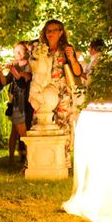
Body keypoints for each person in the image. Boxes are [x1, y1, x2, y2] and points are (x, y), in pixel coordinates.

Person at [39, 19, 82, 162]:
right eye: (48, 31)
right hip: (44, 93)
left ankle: (64, 161)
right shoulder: (41, 49)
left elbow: (77, 72)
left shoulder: (66, 49)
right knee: (41, 123)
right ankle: (43, 159)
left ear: (61, 32)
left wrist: (71, 57)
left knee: (62, 124)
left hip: (62, 93)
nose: (51, 33)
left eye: (54, 30)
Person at [0, 42, 32, 164]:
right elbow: (4, 82)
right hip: (15, 102)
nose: (17, 54)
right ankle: (12, 158)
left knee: (24, 131)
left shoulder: (30, 65)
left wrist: (13, 70)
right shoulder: (14, 66)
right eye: (15, 51)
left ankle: (29, 157)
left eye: (20, 51)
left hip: (26, 102)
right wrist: (0, 71)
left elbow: (23, 82)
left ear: (26, 51)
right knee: (15, 131)